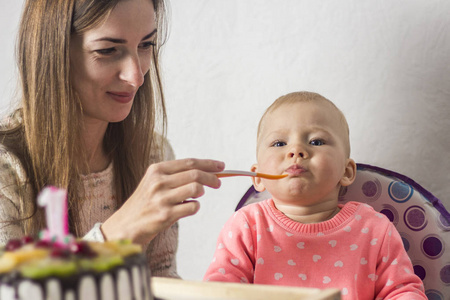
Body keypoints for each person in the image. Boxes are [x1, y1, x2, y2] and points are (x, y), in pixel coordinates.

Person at [0, 0, 225, 278]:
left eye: (146, 45)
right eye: (107, 50)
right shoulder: (6, 171)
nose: (136, 77)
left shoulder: (153, 154)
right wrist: (114, 237)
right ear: (51, 51)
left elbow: (161, 286)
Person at [204, 92, 426, 299]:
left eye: (316, 142)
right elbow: (220, 290)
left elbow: (402, 291)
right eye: (279, 143)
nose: (296, 151)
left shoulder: (375, 229)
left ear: (346, 171)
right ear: (258, 178)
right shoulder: (246, 227)